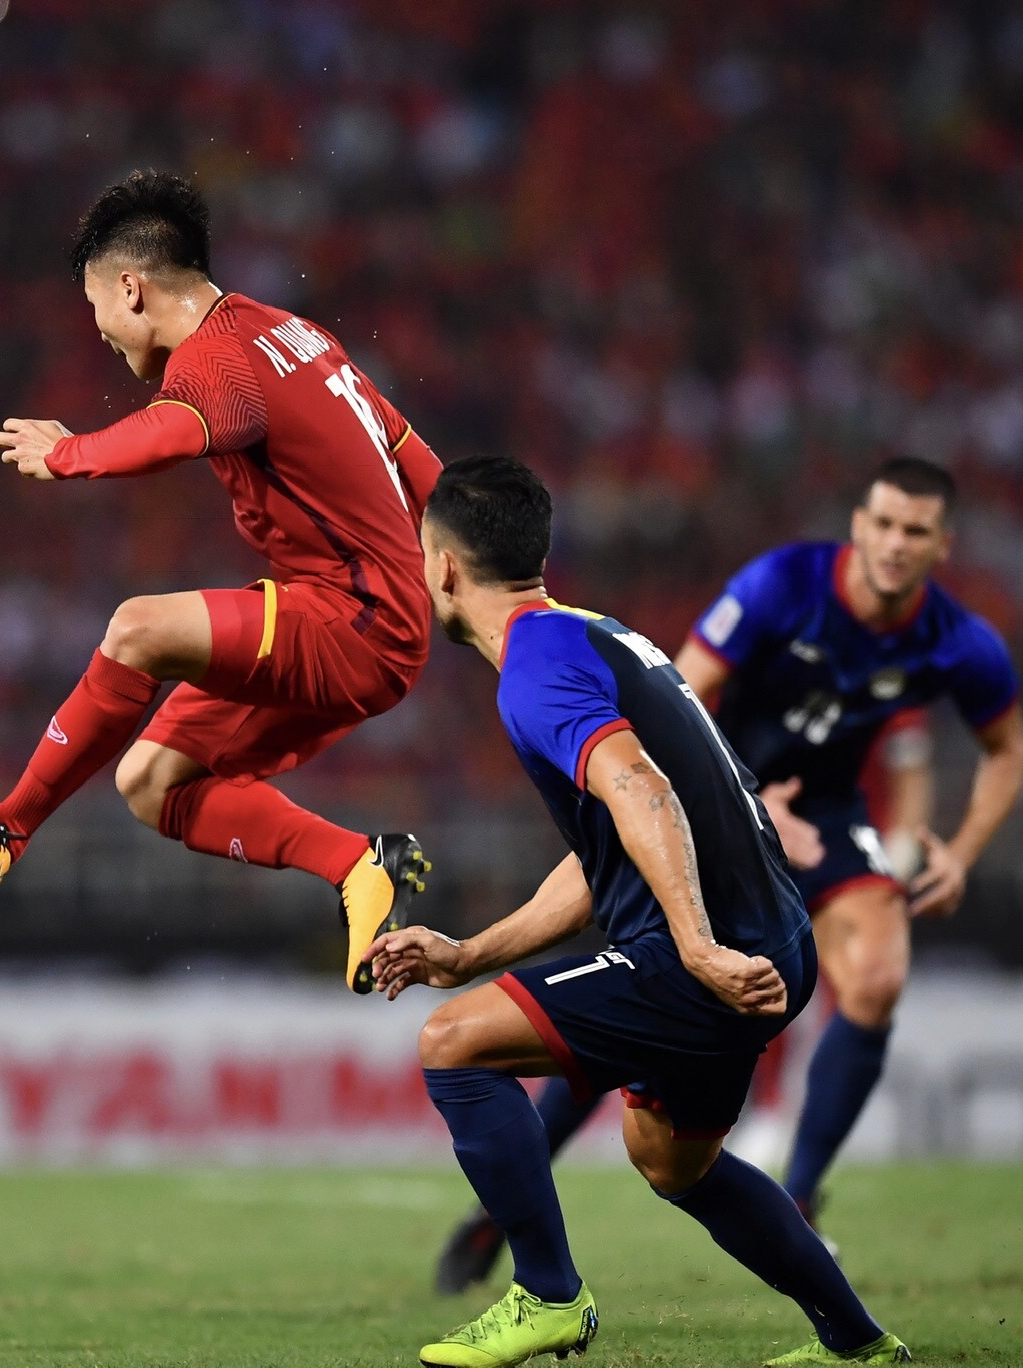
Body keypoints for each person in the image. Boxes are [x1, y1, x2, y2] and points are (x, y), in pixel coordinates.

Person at [435, 455, 1023, 1290]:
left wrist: (960, 852)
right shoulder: (782, 585)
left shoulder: (959, 642)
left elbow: (1008, 750)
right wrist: (749, 804)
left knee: (878, 975)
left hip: (823, 819)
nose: (895, 545)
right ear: (859, 525)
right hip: (711, 802)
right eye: (884, 524)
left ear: (943, 546)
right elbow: (680, 693)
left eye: (916, 532)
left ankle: (801, 1197)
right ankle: (498, 1214)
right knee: (626, 1012)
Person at [370, 456, 908, 1367]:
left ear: (444, 568)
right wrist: (468, 954)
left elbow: (643, 792)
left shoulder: (534, 670)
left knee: (452, 1046)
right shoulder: (589, 635)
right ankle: (856, 1343)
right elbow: (608, 853)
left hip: (707, 952)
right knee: (670, 1159)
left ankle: (546, 1295)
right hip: (776, 938)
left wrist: (694, 948)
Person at [0, 170, 441, 992]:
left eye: (95, 305)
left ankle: (9, 830)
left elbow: (180, 427)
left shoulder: (217, 358)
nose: (97, 330)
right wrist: (466, 587)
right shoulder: (296, 334)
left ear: (131, 288)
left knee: (138, 628)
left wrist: (69, 453)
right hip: (360, 616)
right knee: (151, 782)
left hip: (356, 620)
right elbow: (414, 455)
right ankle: (358, 866)